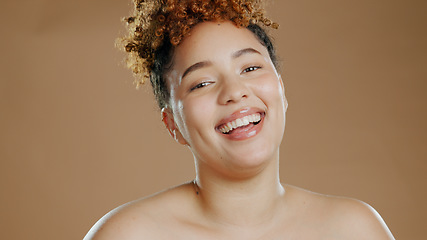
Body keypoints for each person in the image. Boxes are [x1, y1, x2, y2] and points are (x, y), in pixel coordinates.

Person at [84, 0, 394, 239]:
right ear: (172, 125)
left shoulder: (355, 230)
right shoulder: (129, 235)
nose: (234, 92)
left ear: (281, 90)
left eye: (249, 68)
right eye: (201, 83)